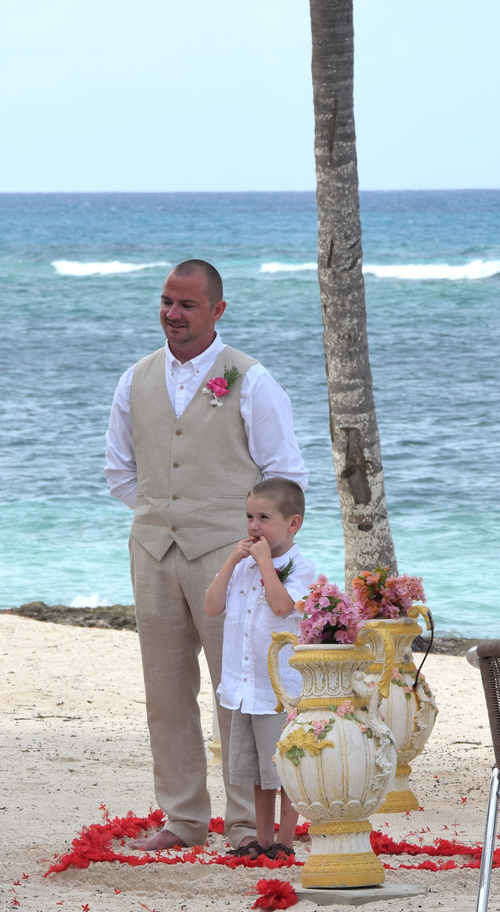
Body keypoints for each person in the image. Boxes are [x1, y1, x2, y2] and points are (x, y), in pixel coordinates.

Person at [104, 260, 308, 852]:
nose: (173, 313)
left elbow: (285, 476)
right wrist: (159, 512)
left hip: (232, 559)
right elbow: (121, 470)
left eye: (187, 304)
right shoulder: (134, 378)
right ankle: (184, 819)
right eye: (167, 301)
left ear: (217, 310)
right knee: (164, 691)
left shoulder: (252, 378)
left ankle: (248, 825)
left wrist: (255, 545)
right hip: (152, 549)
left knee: (240, 689)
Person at [203, 477, 316, 860]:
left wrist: (265, 563)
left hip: (277, 688)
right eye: (249, 516)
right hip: (244, 686)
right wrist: (233, 560)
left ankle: (285, 839)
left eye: (264, 517)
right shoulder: (243, 566)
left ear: (292, 523)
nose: (254, 526)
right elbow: (212, 607)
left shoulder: (300, 566)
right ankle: (261, 839)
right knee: (255, 771)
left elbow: (283, 606)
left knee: (283, 768)